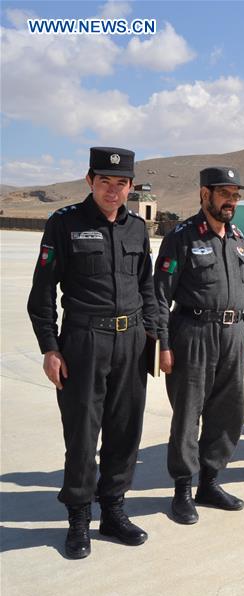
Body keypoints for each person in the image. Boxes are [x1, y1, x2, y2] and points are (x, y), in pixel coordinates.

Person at [27, 147, 157, 559]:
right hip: (84, 341)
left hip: (132, 342)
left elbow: (148, 287)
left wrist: (153, 336)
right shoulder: (64, 224)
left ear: (131, 187)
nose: (113, 190)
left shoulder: (137, 228)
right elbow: (43, 293)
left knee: (125, 430)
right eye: (105, 181)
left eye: (121, 183)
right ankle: (79, 519)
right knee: (82, 434)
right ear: (90, 181)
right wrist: (50, 347)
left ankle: (114, 511)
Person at [155, 167, 244, 525]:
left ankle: (210, 482)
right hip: (192, 332)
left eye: (235, 194)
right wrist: (163, 344)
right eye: (224, 193)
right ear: (205, 195)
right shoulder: (182, 236)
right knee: (188, 414)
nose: (231, 201)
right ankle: (183, 490)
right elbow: (159, 296)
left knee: (228, 412)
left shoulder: (239, 237)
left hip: (233, 335)